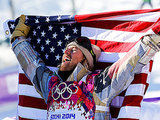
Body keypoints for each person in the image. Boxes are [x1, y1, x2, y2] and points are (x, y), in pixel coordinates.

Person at [11, 15, 160, 120]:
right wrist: (18, 38)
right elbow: (31, 64)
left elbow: (128, 65)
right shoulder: (51, 86)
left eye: (73, 49)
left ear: (86, 62)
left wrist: (154, 38)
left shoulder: (97, 85)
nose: (66, 52)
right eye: (66, 49)